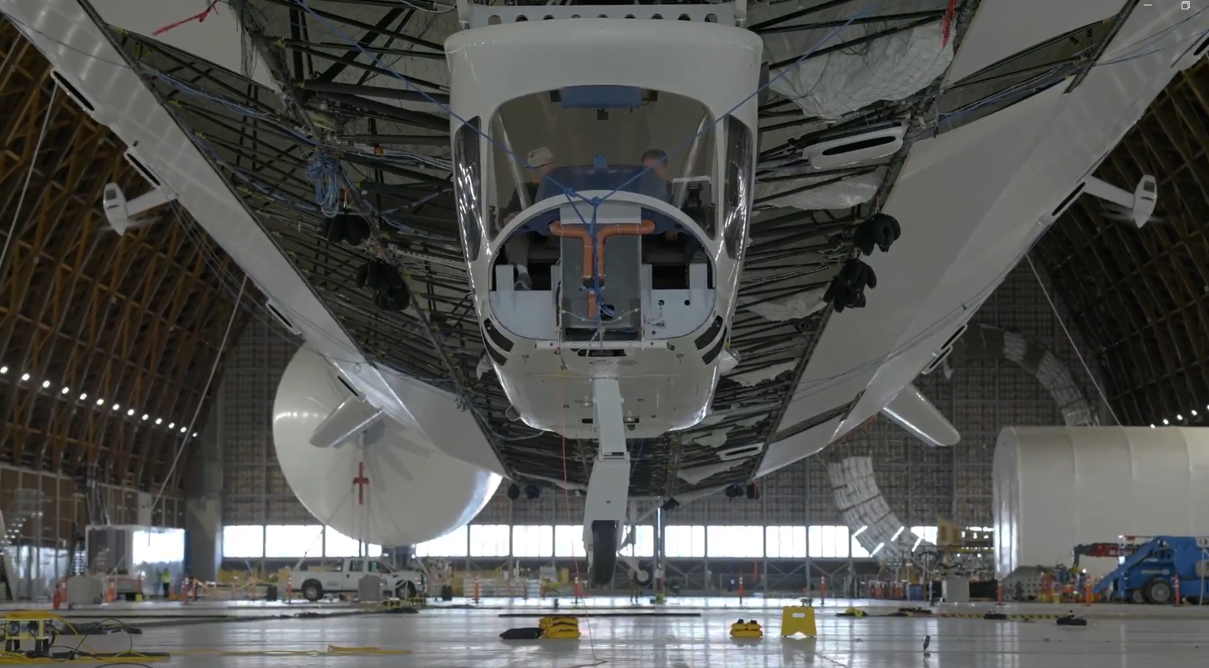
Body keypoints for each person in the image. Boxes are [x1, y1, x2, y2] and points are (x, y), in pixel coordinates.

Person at [498, 147, 555, 290]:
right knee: (516, 234)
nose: (535, 171)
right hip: (531, 235)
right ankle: (522, 275)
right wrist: (509, 218)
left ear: (551, 166)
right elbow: (506, 217)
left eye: (540, 166)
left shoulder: (561, 189)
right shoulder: (523, 190)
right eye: (531, 167)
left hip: (557, 234)